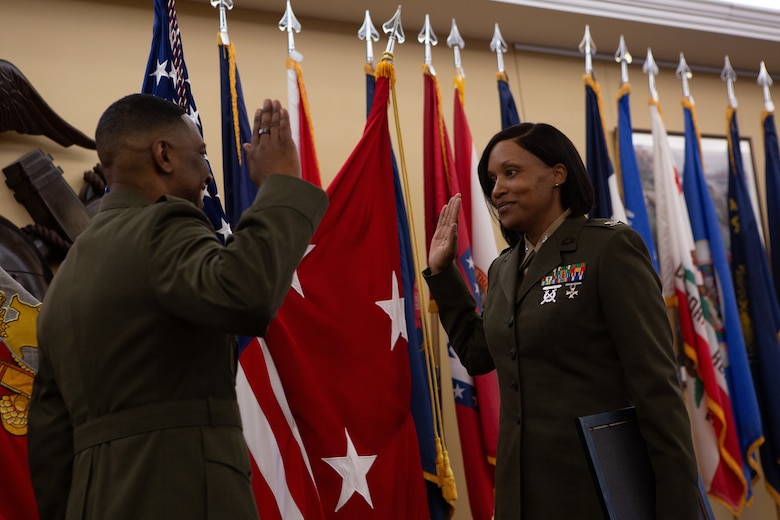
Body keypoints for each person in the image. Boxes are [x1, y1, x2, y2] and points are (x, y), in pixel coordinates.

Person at [27, 94, 328, 520]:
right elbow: (246, 293)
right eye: (202, 154)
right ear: (163, 155)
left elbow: (49, 445)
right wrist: (282, 183)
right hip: (185, 496)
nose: (207, 172)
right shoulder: (162, 225)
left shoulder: (65, 282)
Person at [424, 122, 700, 519]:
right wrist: (443, 272)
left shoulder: (608, 248)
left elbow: (656, 389)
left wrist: (677, 508)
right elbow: (477, 354)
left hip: (595, 494)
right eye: (491, 179)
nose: (497, 188)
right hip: (521, 498)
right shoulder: (504, 268)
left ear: (558, 174)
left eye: (511, 172)